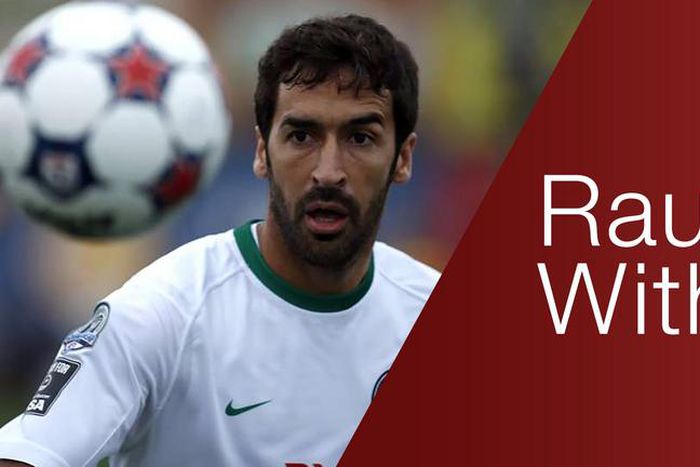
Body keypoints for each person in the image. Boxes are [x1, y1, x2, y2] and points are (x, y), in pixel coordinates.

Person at [0, 14, 439, 467]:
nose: (328, 172)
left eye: (360, 138)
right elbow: (29, 452)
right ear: (262, 152)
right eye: (301, 136)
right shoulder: (164, 313)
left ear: (403, 158)